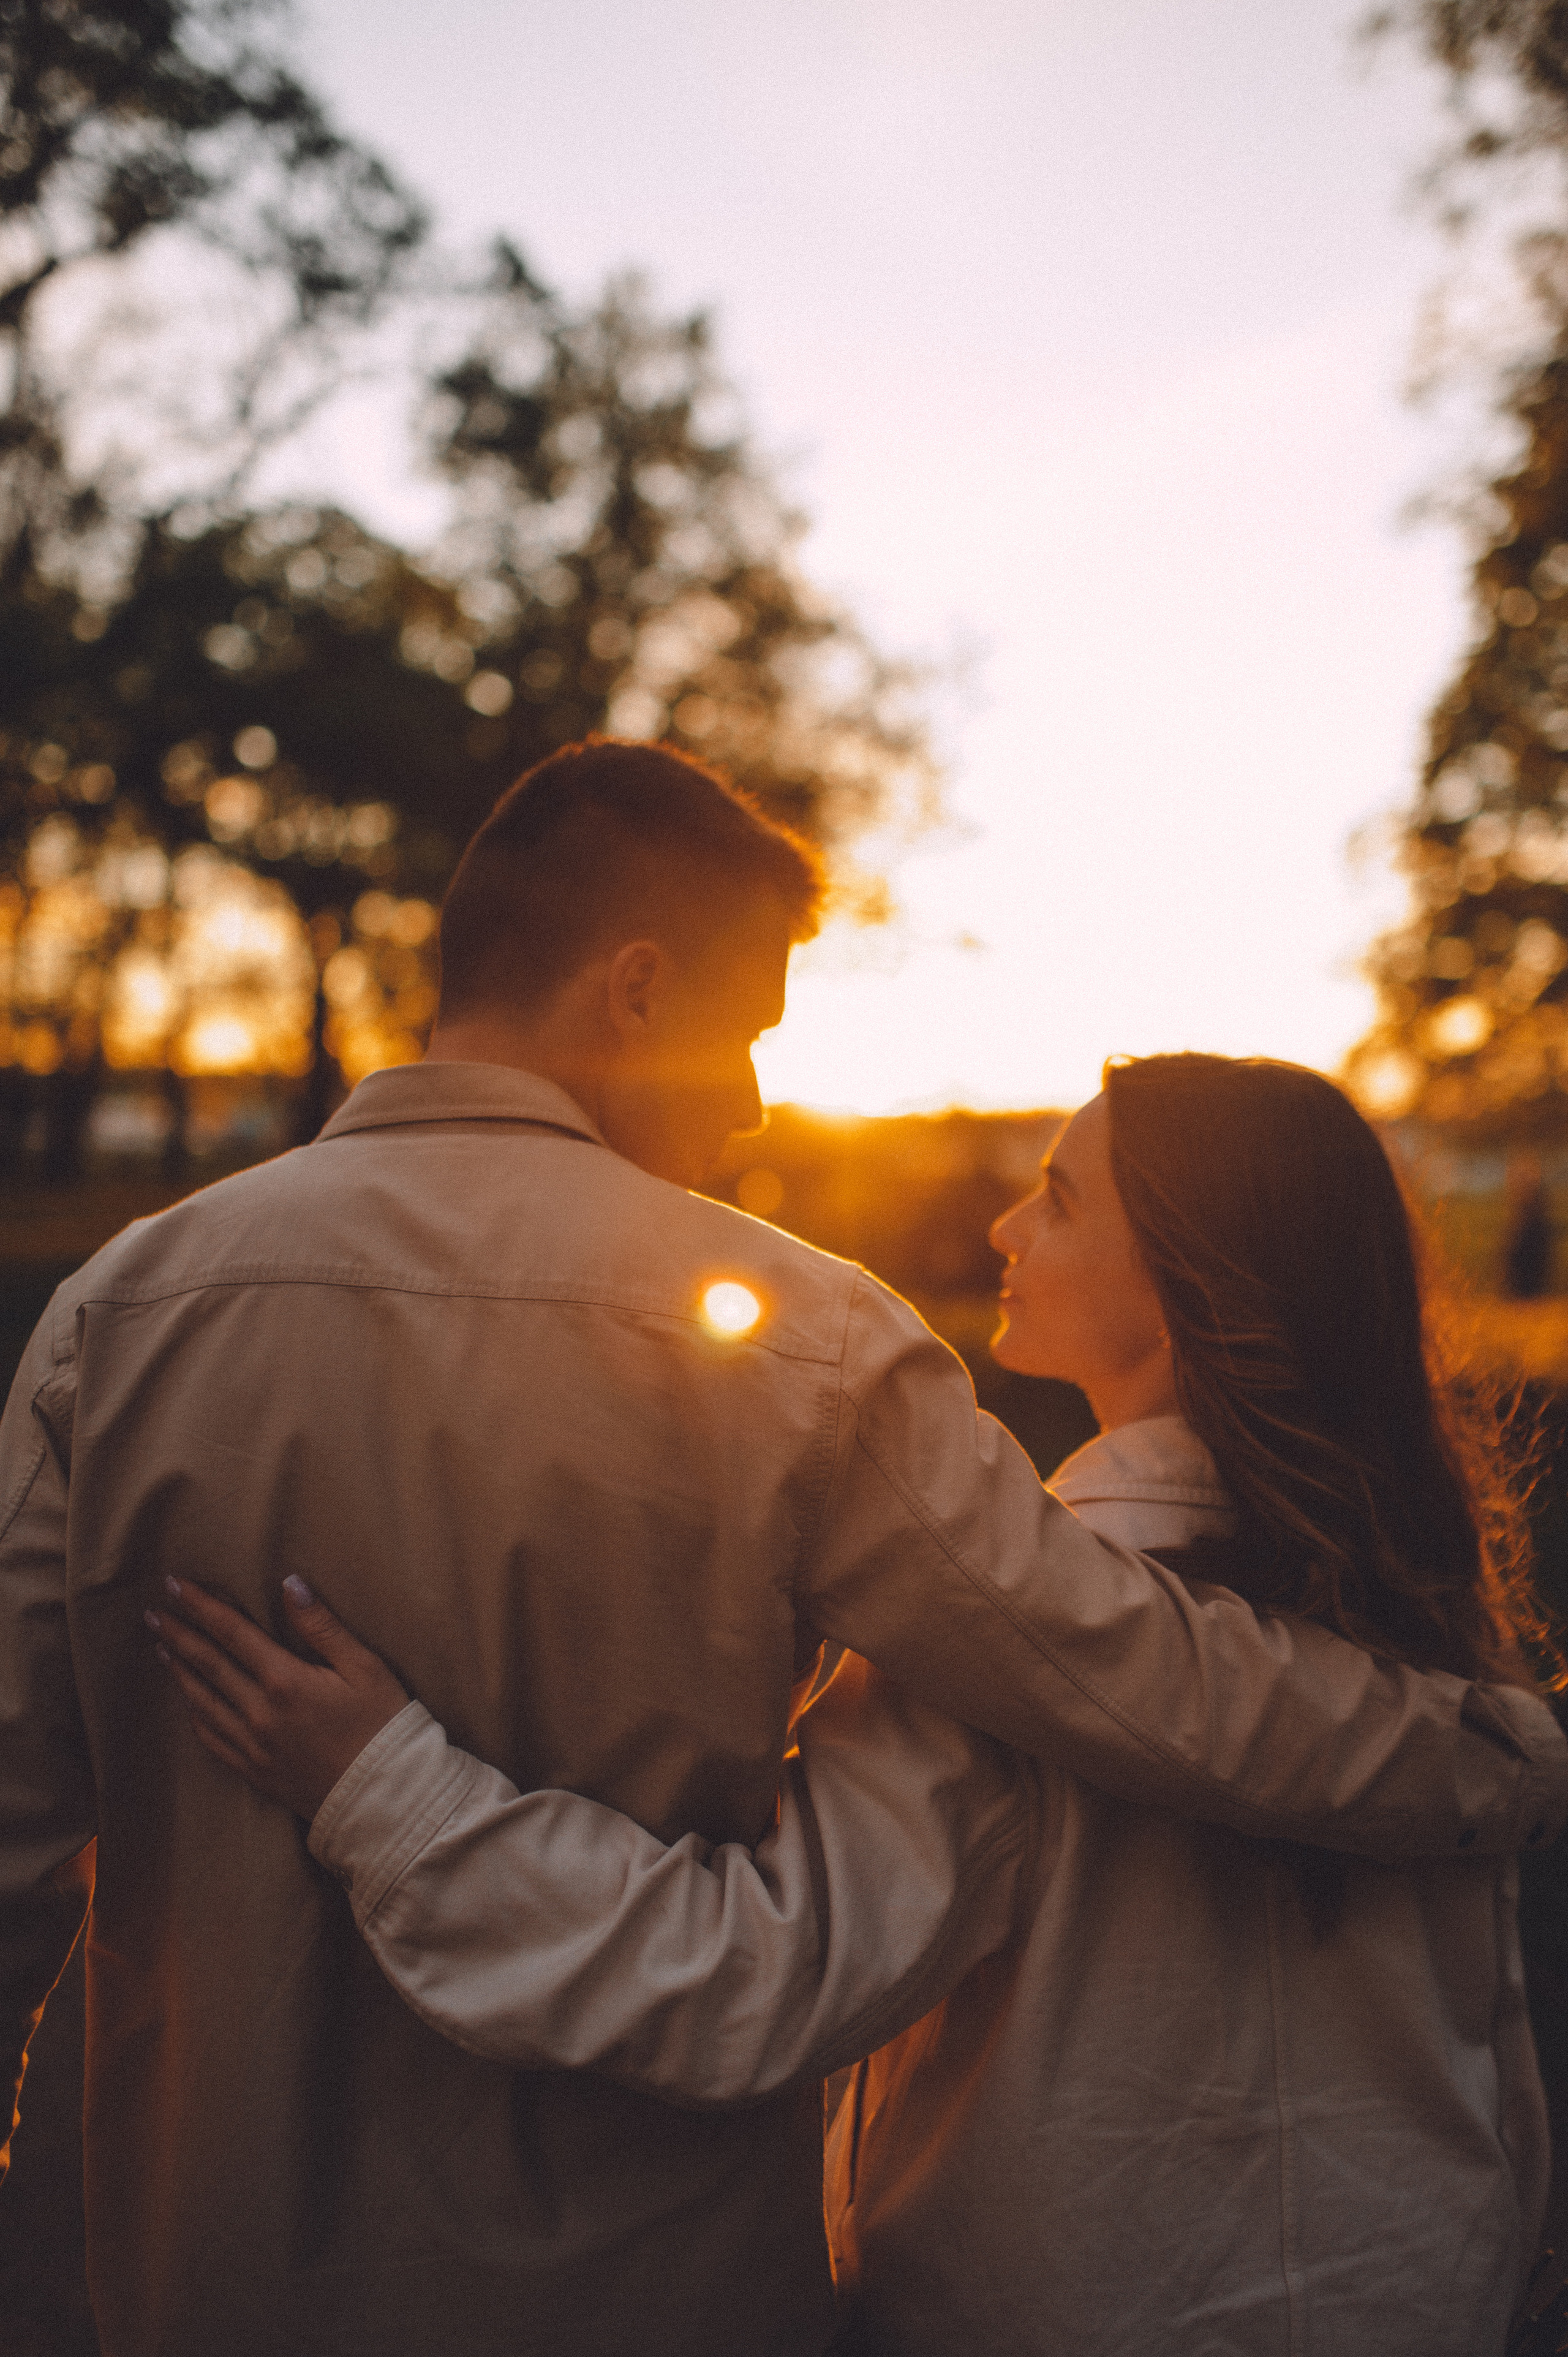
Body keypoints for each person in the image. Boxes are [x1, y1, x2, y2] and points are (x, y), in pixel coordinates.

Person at [1, 737, 1562, 2357]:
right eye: (746, 1035)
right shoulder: (806, 1349)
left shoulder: (113, 1321)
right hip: (647, 2294)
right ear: (636, 991)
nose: (752, 1100)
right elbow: (1123, 1663)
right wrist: (1477, 1758)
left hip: (216, 2277)